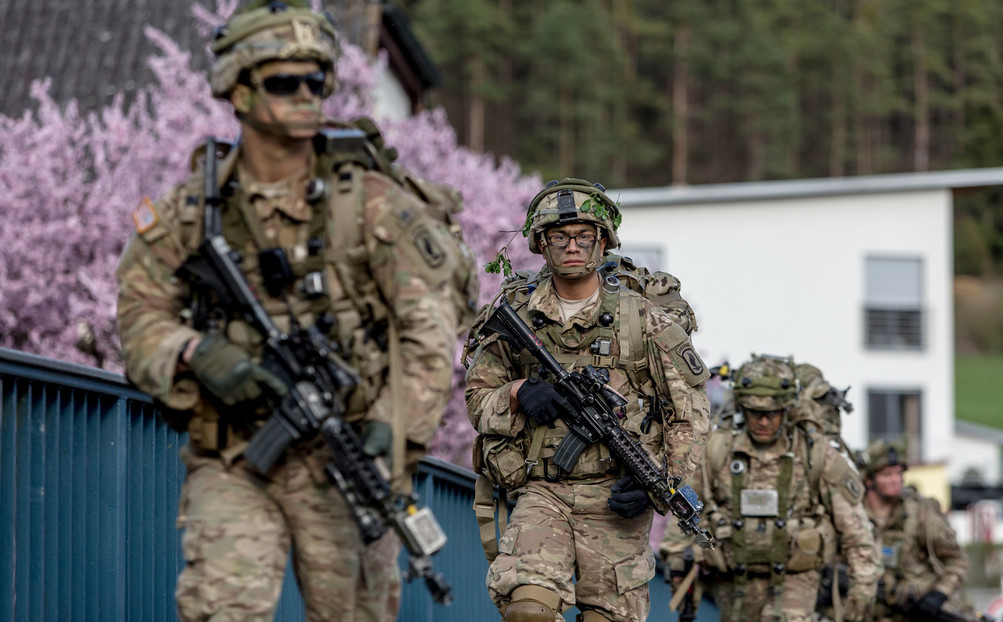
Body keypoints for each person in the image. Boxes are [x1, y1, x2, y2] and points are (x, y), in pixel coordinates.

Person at [115, 1, 458, 620]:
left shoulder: (371, 205)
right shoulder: (192, 211)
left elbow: (428, 330)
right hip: (236, 459)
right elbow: (140, 313)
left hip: (346, 458)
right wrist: (193, 350)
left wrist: (395, 428)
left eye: (316, 81)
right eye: (284, 82)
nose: (306, 96)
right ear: (239, 92)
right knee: (222, 609)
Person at [464, 178, 711, 622]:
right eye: (559, 236)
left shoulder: (643, 319)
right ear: (541, 243)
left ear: (602, 241)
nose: (571, 246)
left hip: (615, 499)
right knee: (528, 611)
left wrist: (660, 485)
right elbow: (478, 399)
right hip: (543, 491)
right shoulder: (516, 316)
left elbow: (689, 413)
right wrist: (519, 392)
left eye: (583, 235)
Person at [660, 355, 880, 622]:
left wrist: (862, 591)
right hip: (734, 581)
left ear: (786, 410)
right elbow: (686, 511)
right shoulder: (718, 450)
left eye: (772, 413)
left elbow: (855, 530)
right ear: (742, 407)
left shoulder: (815, 452)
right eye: (755, 413)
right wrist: (676, 565)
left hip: (797, 579)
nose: (763, 422)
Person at [861, 438, 972, 621]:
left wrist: (938, 594)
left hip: (917, 606)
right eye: (887, 475)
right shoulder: (852, 516)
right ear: (868, 480)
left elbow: (957, 560)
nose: (896, 480)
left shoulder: (920, 514)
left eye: (899, 474)